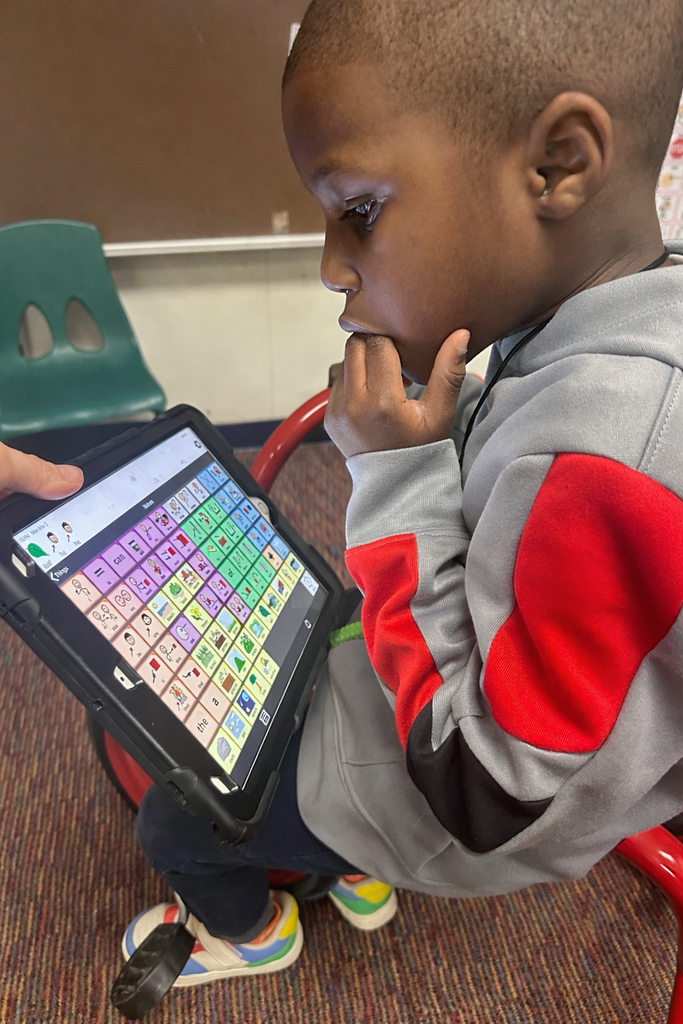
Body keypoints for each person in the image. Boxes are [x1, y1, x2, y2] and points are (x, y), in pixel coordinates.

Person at [125, 0, 683, 990]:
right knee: (299, 629)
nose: (331, 267)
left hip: (451, 796)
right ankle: (346, 866)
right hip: (458, 690)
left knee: (175, 807)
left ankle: (253, 931)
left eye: (359, 212)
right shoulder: (597, 324)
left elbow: (475, 782)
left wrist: (390, 469)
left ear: (559, 163)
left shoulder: (606, 457)